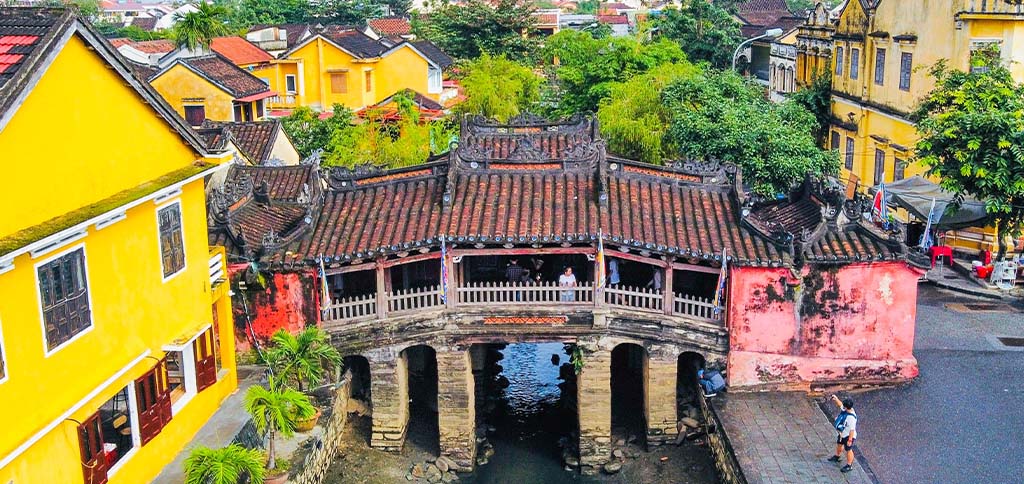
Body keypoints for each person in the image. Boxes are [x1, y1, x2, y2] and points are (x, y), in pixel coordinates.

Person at [827, 395, 858, 473]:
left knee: (848, 450)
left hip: (848, 436)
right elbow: (840, 405)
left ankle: (849, 465)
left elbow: (852, 430)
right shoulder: (846, 410)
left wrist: (850, 440)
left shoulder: (851, 418)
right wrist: (836, 399)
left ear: (847, 407)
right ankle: (837, 456)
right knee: (839, 444)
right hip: (842, 434)